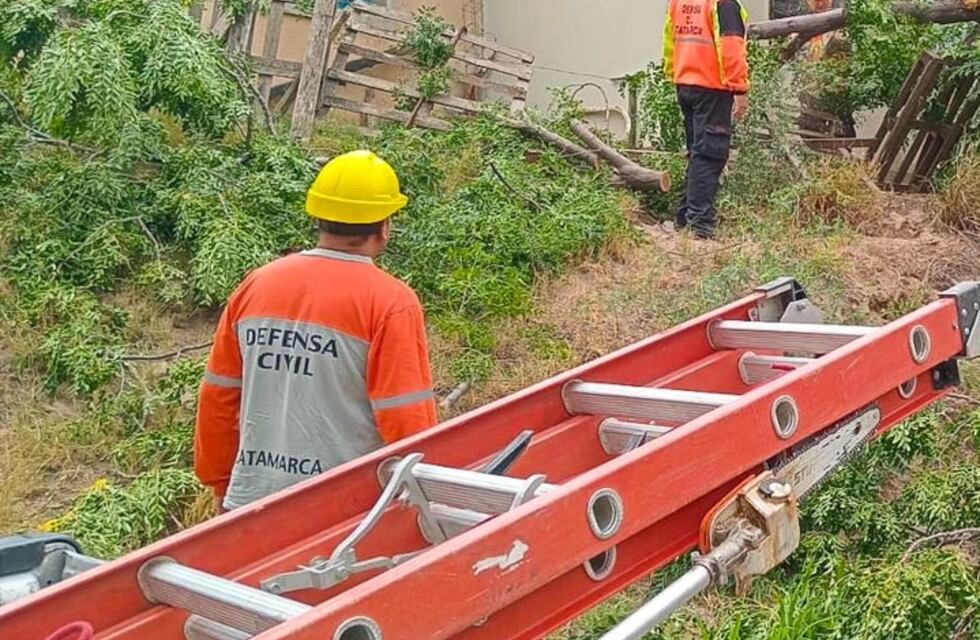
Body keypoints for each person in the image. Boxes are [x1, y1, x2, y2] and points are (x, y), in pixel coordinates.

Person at [194, 150, 438, 513]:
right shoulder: (390, 302)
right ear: (385, 224)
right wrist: (426, 495)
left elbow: (219, 396)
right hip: (342, 514)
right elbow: (407, 419)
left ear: (319, 217)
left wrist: (220, 483)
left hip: (251, 500)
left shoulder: (257, 286)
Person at [663, 0, 751, 239]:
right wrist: (740, 90)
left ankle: (685, 218)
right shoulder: (724, 4)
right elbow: (732, 47)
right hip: (712, 87)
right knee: (710, 154)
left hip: (686, 84)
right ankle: (700, 226)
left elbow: (670, 40)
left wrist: (675, 74)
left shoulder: (680, 2)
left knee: (697, 153)